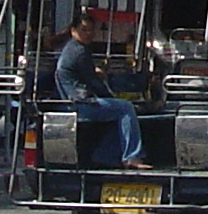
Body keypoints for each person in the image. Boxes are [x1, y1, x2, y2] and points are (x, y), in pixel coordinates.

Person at [55, 18, 150, 169]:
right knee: (126, 108)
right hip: (81, 104)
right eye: (83, 29)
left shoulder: (70, 49)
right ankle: (132, 156)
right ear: (73, 31)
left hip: (73, 102)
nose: (88, 33)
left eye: (91, 30)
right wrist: (112, 97)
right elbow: (94, 83)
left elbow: (84, 74)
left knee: (117, 115)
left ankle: (104, 156)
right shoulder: (79, 51)